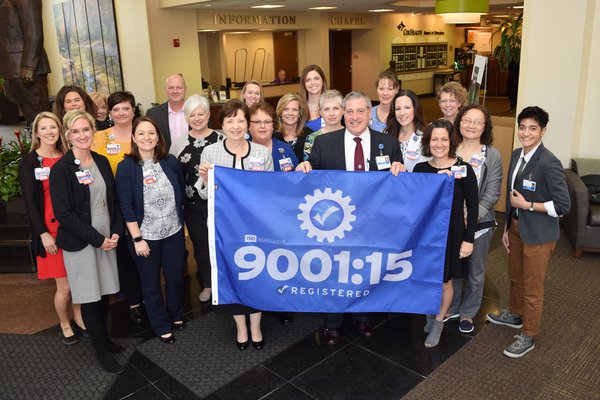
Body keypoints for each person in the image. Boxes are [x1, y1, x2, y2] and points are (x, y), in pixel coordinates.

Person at [296, 91, 405, 346]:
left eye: (360, 111)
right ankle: (332, 323)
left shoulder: (387, 144)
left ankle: (362, 316)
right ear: (344, 114)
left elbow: (398, 186)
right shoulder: (324, 143)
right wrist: (305, 168)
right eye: (350, 111)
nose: (354, 117)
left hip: (371, 222)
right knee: (334, 270)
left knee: (364, 269)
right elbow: (313, 179)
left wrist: (401, 169)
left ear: (370, 113)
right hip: (335, 222)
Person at [487, 106, 570, 358]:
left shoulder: (549, 163)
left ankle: (529, 334)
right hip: (515, 228)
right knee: (515, 276)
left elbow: (564, 205)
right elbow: (512, 198)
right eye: (522, 127)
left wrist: (529, 205)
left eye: (532, 128)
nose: (526, 133)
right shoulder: (515, 155)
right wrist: (506, 227)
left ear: (543, 131)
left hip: (539, 235)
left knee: (532, 287)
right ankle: (515, 313)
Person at [49, 109, 124, 374]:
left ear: (94, 131)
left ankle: (106, 339)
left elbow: (113, 201)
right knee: (90, 297)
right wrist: (97, 239)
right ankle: (101, 351)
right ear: (68, 136)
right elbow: (64, 214)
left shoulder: (102, 161)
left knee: (104, 292)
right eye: (76, 131)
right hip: (82, 240)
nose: (82, 135)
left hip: (106, 236)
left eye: (86, 129)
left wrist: (115, 232)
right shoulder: (61, 169)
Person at [197, 99, 273, 350]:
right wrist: (207, 181)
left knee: (256, 276)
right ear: (222, 125)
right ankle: (240, 325)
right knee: (232, 276)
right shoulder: (210, 152)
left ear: (248, 124)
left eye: (241, 120)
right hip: (224, 230)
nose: (236, 125)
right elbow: (205, 196)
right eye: (230, 121)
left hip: (255, 228)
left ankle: (256, 324)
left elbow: (271, 192)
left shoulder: (262, 153)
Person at [115, 116, 187, 344]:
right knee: (150, 283)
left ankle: (175, 314)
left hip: (173, 232)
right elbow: (125, 206)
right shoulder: (127, 167)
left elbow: (181, 193)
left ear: (158, 137)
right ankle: (160, 324)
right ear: (134, 138)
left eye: (151, 133)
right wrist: (137, 239)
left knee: (175, 278)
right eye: (142, 133)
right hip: (145, 237)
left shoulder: (170, 162)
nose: (147, 138)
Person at [18, 111, 84, 345]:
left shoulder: (68, 157)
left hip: (73, 229)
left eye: (53, 127)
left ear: (60, 131)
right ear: (36, 132)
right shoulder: (29, 163)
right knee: (64, 286)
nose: (49, 132)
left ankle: (78, 316)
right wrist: (43, 234)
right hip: (51, 232)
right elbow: (30, 204)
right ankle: (64, 323)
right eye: (44, 128)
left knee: (78, 281)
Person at [414, 118, 478, 348]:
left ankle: (440, 321)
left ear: (451, 141)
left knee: (444, 281)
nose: (439, 144)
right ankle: (431, 313)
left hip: (452, 234)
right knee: (427, 279)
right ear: (427, 142)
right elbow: (415, 204)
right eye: (434, 139)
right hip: (426, 236)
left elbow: (473, 206)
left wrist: (468, 239)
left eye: (443, 139)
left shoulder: (463, 169)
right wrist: (433, 182)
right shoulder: (420, 169)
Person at [446, 104, 503, 334]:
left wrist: (472, 216)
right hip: (450, 222)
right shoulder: (448, 149)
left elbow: (492, 193)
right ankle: (453, 306)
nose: (471, 125)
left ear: (485, 127)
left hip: (479, 224)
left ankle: (468, 312)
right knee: (454, 267)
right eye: (467, 120)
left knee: (475, 271)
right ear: (459, 122)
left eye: (477, 122)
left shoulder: (491, 155)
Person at [92, 91, 144, 324]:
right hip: (114, 207)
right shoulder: (100, 137)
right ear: (109, 113)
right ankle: (134, 302)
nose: (122, 113)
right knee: (124, 256)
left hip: (144, 204)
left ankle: (150, 297)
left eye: (126, 108)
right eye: (116, 109)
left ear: (134, 110)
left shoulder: (143, 133)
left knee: (146, 254)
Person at [175, 94, 223, 304]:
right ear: (186, 118)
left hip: (220, 204)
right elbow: (173, 173)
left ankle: (224, 282)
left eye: (200, 113)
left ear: (208, 114)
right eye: (192, 115)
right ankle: (208, 284)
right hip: (193, 205)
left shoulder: (221, 138)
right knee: (201, 245)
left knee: (221, 244)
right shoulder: (178, 143)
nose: (197, 118)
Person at [0, 0, 51, 124]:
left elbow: (34, 31)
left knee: (41, 120)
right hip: (13, 69)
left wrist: (29, 65)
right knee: (34, 121)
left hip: (26, 70)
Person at [384, 89, 427, 172]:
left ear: (415, 109)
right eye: (398, 109)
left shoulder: (426, 136)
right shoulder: (385, 134)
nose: (402, 113)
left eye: (407, 108)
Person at [249, 102, 298, 172]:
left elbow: (296, 178)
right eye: (257, 122)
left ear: (273, 126)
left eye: (267, 122)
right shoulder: (241, 149)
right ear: (248, 126)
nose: (262, 126)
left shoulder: (285, 149)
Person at [146, 73, 188, 151]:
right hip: (164, 160)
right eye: (171, 88)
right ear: (166, 89)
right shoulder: (152, 114)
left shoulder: (197, 112)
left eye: (179, 87)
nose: (175, 91)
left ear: (185, 89)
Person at [303, 89, 344, 161]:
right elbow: (308, 166)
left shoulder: (351, 135)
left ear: (343, 110)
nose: (331, 113)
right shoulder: (311, 139)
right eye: (326, 109)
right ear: (321, 112)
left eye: (336, 108)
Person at [273, 93, 310, 162]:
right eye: (286, 109)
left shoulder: (310, 136)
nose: (290, 113)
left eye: (294, 110)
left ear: (299, 114)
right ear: (280, 113)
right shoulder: (272, 137)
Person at [299, 64, 327, 132]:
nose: (313, 83)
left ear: (323, 82)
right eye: (308, 80)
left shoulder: (332, 105)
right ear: (304, 84)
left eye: (316, 79)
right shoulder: (298, 107)